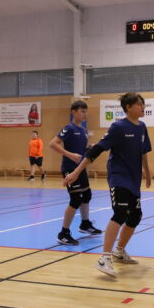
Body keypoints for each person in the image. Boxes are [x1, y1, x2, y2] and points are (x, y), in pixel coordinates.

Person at [64, 92, 152, 278]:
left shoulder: (142, 127)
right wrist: (76, 172)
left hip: (134, 178)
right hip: (118, 177)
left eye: (143, 104)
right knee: (120, 213)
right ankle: (104, 258)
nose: (143, 107)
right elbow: (96, 150)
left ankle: (119, 251)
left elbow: (143, 151)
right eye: (139, 104)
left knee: (135, 216)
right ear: (128, 107)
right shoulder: (118, 127)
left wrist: (147, 172)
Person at [50, 101, 102, 245]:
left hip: (80, 169)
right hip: (70, 169)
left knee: (87, 195)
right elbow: (52, 144)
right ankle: (63, 233)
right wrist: (70, 155)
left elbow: (80, 150)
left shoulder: (84, 130)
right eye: (82, 111)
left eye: (86, 111)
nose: (85, 114)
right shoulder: (69, 128)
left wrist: (89, 148)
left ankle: (85, 224)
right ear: (73, 112)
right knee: (76, 199)